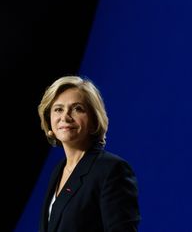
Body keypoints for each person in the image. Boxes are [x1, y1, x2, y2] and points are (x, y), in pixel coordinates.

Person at [37, 76, 141, 232]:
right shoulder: (59, 170)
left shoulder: (112, 170)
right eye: (58, 109)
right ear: (49, 120)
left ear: (94, 120)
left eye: (77, 108)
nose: (65, 117)